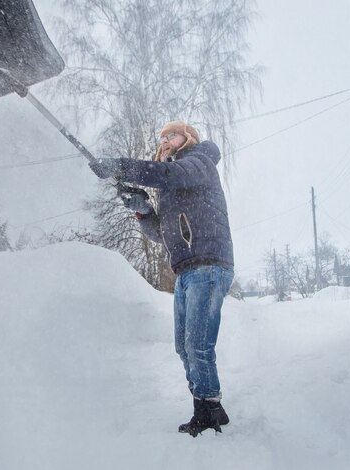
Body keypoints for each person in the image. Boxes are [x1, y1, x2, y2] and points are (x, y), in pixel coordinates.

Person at [88, 120, 234, 437]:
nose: (166, 140)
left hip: (209, 264)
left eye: (172, 134)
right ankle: (206, 407)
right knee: (184, 347)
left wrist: (120, 167)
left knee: (198, 344)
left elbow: (169, 175)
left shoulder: (199, 161)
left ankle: (210, 409)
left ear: (188, 137)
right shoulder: (171, 188)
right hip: (186, 268)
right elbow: (161, 235)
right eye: (163, 137)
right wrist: (143, 211)